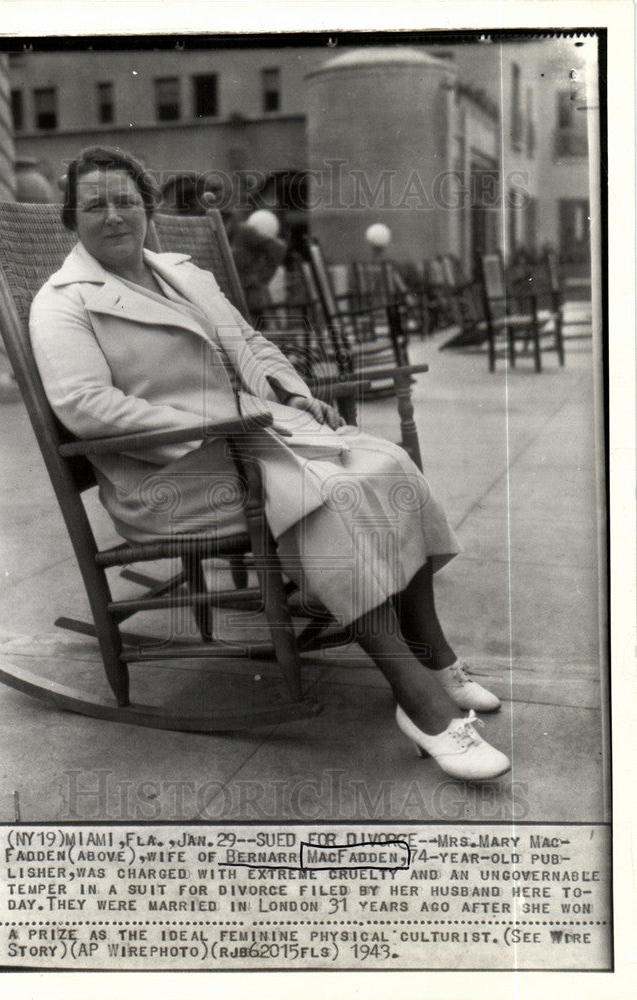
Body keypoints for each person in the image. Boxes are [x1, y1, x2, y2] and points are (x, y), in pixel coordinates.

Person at [30, 146, 508, 782]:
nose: (113, 216)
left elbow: (247, 344)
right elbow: (88, 408)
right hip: (166, 474)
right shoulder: (62, 301)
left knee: (386, 463)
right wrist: (211, 427)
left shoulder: (180, 272)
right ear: (72, 219)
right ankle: (419, 703)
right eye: (94, 205)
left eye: (126, 201)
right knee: (326, 495)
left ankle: (436, 657)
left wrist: (291, 391)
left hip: (250, 437)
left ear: (147, 209)